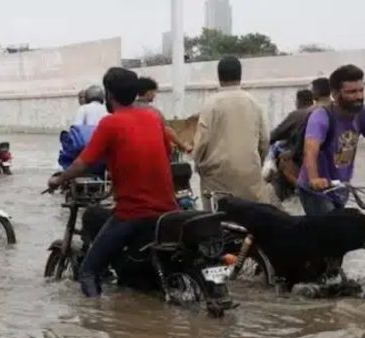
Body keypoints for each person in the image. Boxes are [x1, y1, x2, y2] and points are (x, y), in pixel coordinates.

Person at [48, 67, 178, 298]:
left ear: (109, 94)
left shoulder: (110, 124)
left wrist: (59, 179)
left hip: (134, 212)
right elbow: (165, 156)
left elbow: (82, 164)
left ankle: (94, 325)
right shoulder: (153, 118)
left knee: (88, 270)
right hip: (168, 210)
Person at [299, 64, 365, 215]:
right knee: (329, 230)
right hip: (316, 191)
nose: (359, 96)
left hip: (341, 186)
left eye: (361, 90)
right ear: (335, 94)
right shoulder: (321, 116)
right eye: (352, 92)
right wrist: (315, 179)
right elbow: (310, 152)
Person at [192, 56, 270, 204]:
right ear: (240, 75)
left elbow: (202, 141)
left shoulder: (211, 104)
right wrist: (256, 161)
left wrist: (197, 164)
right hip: (249, 176)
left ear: (219, 75)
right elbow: (265, 140)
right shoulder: (253, 102)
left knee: (216, 219)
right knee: (251, 218)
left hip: (217, 177)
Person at [135, 77, 192, 155]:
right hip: (151, 152)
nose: (155, 95)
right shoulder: (153, 112)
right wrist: (183, 145)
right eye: (154, 92)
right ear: (148, 93)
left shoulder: (128, 109)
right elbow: (167, 130)